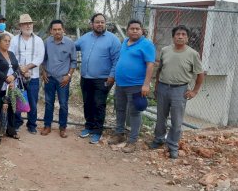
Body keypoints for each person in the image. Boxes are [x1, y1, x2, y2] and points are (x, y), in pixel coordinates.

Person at [149, 25, 204, 159]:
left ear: (187, 38)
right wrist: (156, 87)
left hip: (180, 90)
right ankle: (158, 139)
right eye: (177, 34)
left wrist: (195, 91)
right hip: (163, 87)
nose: (180, 36)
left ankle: (173, 145)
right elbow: (160, 69)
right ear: (173, 37)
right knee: (161, 117)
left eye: (183, 34)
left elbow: (200, 74)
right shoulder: (165, 50)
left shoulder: (193, 54)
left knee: (176, 120)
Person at [109, 19, 155, 153]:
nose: (134, 31)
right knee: (120, 109)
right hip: (121, 84)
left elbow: (150, 65)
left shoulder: (146, 45)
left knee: (134, 113)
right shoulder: (125, 42)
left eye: (137, 29)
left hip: (136, 86)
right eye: (132, 28)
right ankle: (119, 134)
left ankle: (132, 141)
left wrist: (146, 85)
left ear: (142, 30)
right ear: (127, 30)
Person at [75, 13, 121, 144]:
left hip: (103, 79)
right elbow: (72, 46)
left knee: (98, 104)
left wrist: (112, 76)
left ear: (105, 24)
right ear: (92, 24)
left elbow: (116, 60)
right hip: (85, 78)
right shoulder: (85, 38)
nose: (100, 24)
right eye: (97, 22)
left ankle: (97, 131)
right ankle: (88, 126)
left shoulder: (113, 40)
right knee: (87, 103)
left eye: (102, 22)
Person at [41, 19, 77, 138]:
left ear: (63, 30)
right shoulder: (46, 42)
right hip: (49, 78)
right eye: (54, 29)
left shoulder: (70, 43)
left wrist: (69, 76)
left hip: (63, 80)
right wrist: (44, 72)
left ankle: (62, 128)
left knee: (63, 104)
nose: (57, 32)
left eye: (59, 29)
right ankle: (47, 126)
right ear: (51, 31)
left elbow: (73, 62)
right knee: (48, 102)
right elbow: (43, 59)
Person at [10, 14, 45, 134]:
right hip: (17, 77)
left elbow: (40, 58)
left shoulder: (39, 41)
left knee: (32, 102)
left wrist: (27, 68)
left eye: (30, 23)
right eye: (25, 24)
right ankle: (17, 122)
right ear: (20, 26)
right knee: (18, 100)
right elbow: (11, 56)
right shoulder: (14, 40)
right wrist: (21, 70)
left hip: (33, 76)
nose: (28, 25)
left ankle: (32, 125)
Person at [0, 33, 20, 141]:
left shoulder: (11, 54)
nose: (7, 43)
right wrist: (7, 79)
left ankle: (11, 131)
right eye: (5, 41)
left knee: (11, 109)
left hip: (11, 87)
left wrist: (13, 76)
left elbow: (17, 68)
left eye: (8, 41)